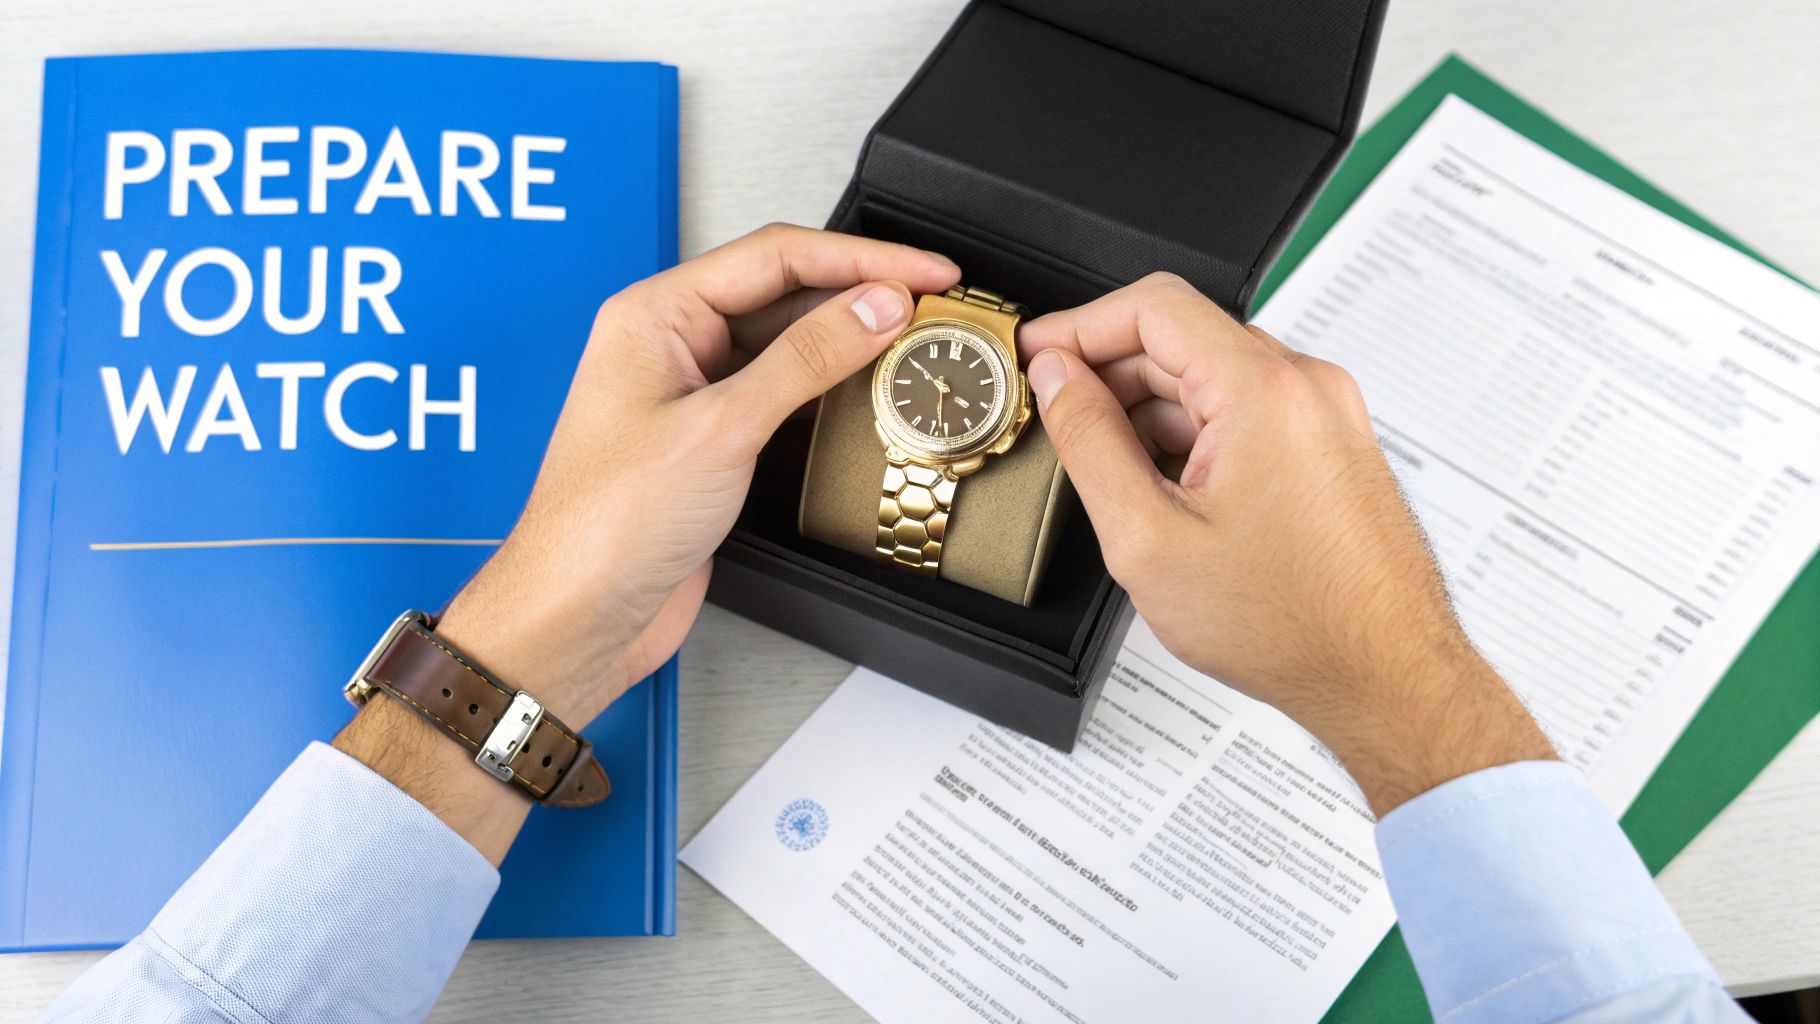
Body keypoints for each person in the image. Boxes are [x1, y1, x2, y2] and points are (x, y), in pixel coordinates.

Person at [38, 226, 1745, 1023]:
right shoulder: (949, 392)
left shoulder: (985, 384)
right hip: (950, 435)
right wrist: (1409, 684)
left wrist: (520, 648)